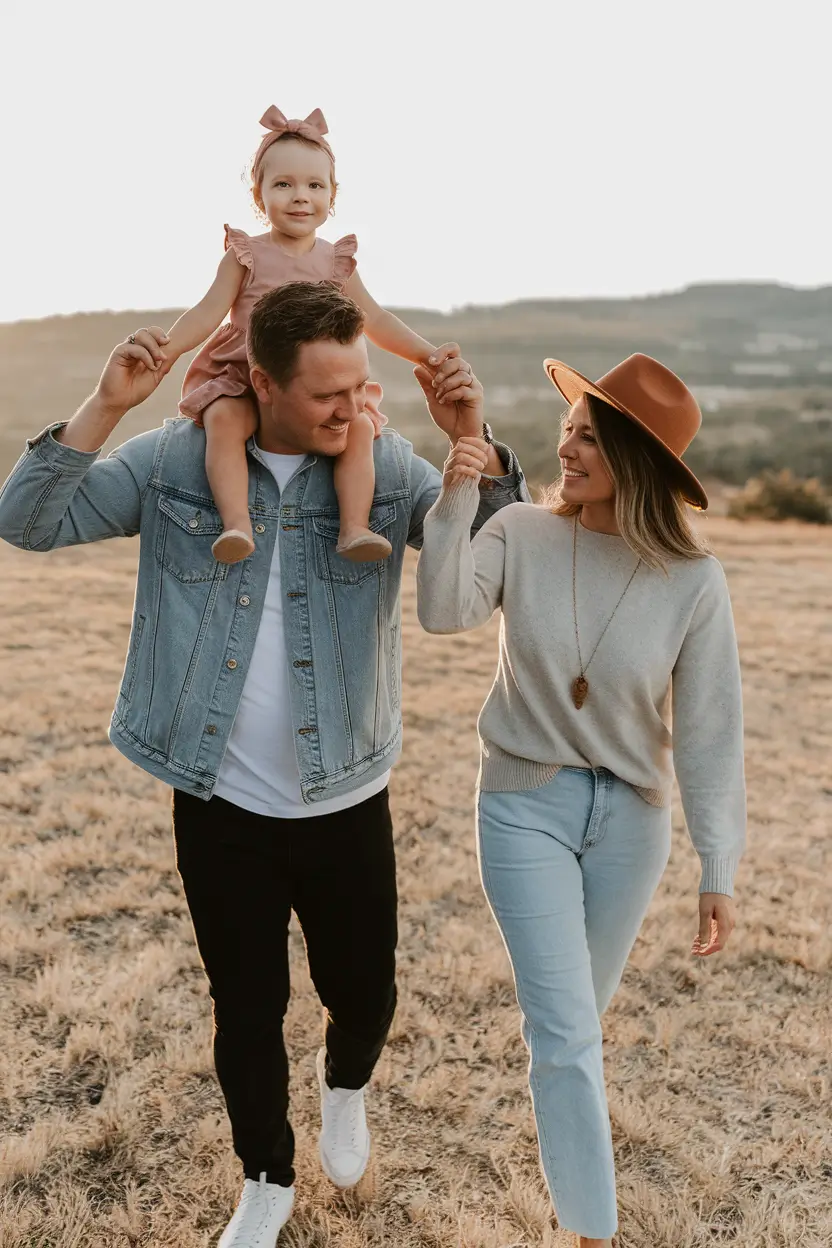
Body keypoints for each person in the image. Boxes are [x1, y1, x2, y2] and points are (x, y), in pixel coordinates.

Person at [0, 281, 530, 1248]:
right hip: (220, 800)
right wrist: (108, 402)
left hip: (348, 792)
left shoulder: (390, 465)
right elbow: (28, 520)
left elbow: (494, 569)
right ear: (262, 383)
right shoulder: (174, 466)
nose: (352, 407)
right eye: (329, 395)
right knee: (245, 1008)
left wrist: (478, 442)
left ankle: (346, 1090)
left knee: (364, 993)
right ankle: (265, 1178)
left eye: (361, 386)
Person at [415, 352, 746, 1248]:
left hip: (633, 827)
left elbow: (711, 729)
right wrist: (455, 493)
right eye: (569, 428)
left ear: (636, 459)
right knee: (564, 1036)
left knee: (573, 1033)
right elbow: (443, 610)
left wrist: (718, 865)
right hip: (524, 805)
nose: (567, 446)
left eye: (589, 436)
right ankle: (591, 1235)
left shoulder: (692, 581)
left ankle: (566, 1177)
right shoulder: (520, 529)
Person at [158, 104, 448, 564]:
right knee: (224, 422)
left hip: (313, 384)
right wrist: (167, 348)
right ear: (259, 194)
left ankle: (354, 528)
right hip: (244, 370)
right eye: (283, 184)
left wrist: (428, 356)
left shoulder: (336, 260)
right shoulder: (246, 253)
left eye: (315, 185)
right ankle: (236, 524)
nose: (300, 196)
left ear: (333, 196)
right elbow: (209, 311)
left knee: (358, 429)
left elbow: (374, 318)